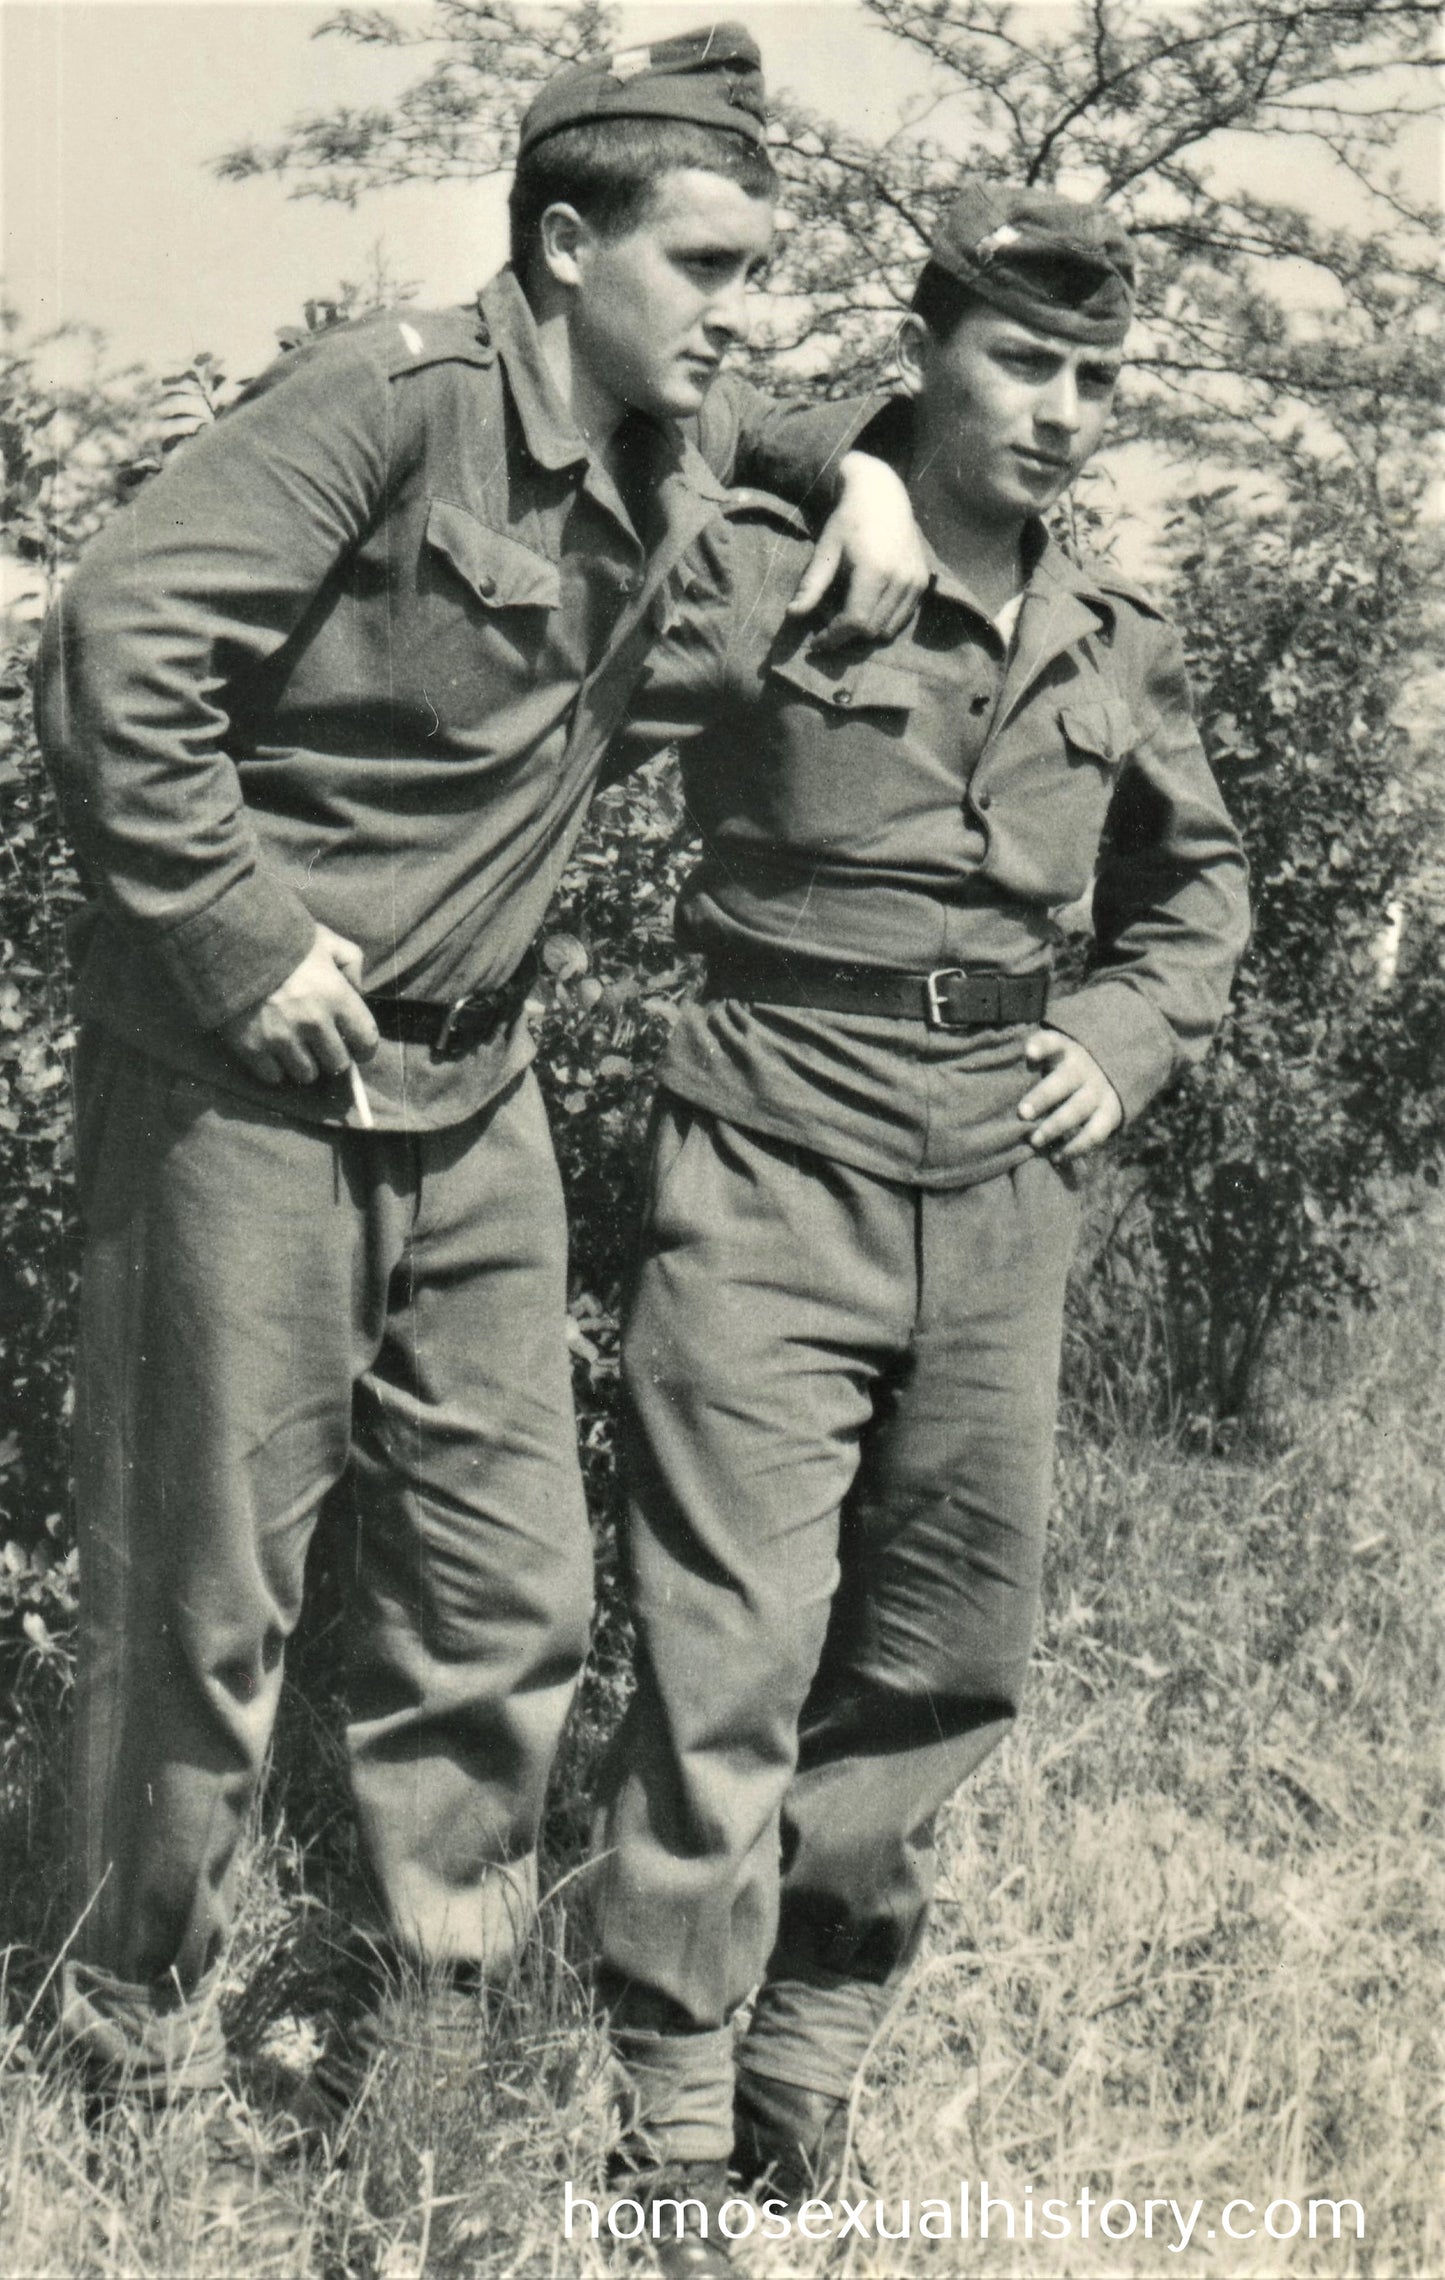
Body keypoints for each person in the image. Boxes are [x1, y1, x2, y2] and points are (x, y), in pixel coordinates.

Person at [33, 21, 930, 2132]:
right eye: (705, 266)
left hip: (477, 1109)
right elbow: (114, 644)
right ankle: (109, 2057)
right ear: (560, 244)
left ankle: (424, 2038)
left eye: (755, 270)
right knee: (204, 1614)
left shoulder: (676, 432)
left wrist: (859, 461)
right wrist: (244, 944)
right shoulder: (394, 400)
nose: (741, 313)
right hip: (257, 1096)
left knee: (506, 1594)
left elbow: (774, 426)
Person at [591, 178, 1251, 2272]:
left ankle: (802, 2085)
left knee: (943, 1657)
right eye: (1023, 363)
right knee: (731, 1652)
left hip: (1003, 1181)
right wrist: (817, 461)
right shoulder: (774, 560)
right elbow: (606, 467)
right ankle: (670, 2139)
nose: (1062, 412)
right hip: (771, 1156)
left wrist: (1127, 1040)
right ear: (933, 351)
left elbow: (1199, 892)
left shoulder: (1114, 630)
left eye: (1094, 379)